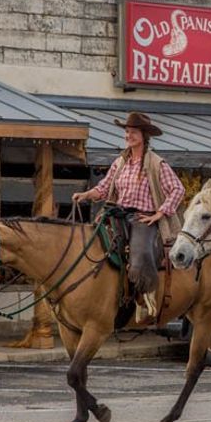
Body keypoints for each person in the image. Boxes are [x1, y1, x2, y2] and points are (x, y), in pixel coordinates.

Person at [71, 112, 184, 302]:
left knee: (140, 256)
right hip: (117, 214)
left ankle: (145, 297)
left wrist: (159, 213)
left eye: (133, 132)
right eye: (127, 131)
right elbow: (104, 189)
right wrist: (86, 195)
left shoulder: (157, 163)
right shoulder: (121, 162)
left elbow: (178, 189)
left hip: (142, 218)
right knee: (91, 241)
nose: (128, 135)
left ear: (144, 136)